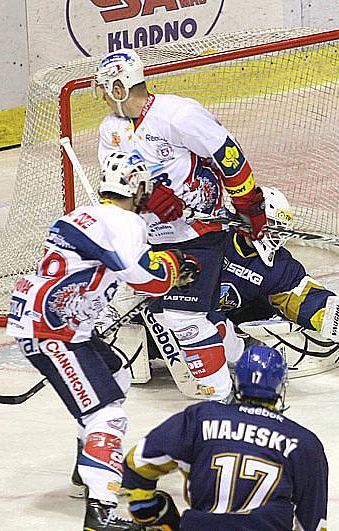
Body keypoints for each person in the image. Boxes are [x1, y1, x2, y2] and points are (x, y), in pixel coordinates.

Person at [5, 151, 200, 530]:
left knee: (116, 373)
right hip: (53, 330)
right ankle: (101, 510)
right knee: (107, 413)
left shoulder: (81, 215)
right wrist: (176, 265)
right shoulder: (124, 221)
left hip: (52, 322)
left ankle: (87, 468)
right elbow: (148, 278)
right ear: (138, 187)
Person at [94, 49, 267, 401]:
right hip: (153, 238)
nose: (99, 96)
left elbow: (227, 154)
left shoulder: (178, 114)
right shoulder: (110, 129)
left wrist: (249, 204)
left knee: (180, 318)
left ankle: (220, 399)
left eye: (103, 87)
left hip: (200, 230)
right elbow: (117, 182)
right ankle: (251, 361)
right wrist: (151, 195)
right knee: (193, 314)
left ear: (119, 86)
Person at [121, 345, 329, 530]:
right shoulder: (303, 442)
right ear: (280, 387)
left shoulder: (201, 418)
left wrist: (145, 510)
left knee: (161, 507)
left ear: (237, 380)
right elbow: (313, 521)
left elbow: (137, 462)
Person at [211, 185, 339, 372]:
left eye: (282, 229)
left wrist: (338, 317)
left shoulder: (279, 265)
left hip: (232, 319)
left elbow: (301, 293)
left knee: (285, 340)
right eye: (274, 227)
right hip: (194, 308)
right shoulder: (216, 233)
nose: (278, 236)